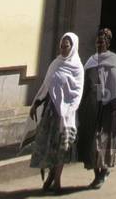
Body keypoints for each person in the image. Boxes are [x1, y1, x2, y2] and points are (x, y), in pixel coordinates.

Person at [29, 32, 84, 192]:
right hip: (51, 112)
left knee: (62, 147)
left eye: (66, 46)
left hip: (66, 115)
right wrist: (36, 103)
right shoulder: (56, 63)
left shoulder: (77, 67)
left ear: (73, 47)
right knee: (48, 145)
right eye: (61, 46)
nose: (63, 49)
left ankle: (57, 181)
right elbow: (46, 86)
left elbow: (77, 93)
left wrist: (67, 110)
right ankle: (51, 175)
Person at [78, 27, 116, 188]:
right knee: (92, 141)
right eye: (97, 42)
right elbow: (87, 84)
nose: (99, 45)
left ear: (107, 43)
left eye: (101, 42)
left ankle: (104, 170)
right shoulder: (91, 61)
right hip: (94, 105)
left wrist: (115, 103)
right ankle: (97, 174)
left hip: (109, 106)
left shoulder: (113, 60)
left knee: (105, 140)